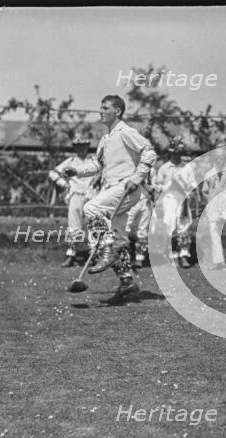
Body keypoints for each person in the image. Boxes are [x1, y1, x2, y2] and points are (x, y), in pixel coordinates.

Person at [64, 95, 156, 304]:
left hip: (126, 187)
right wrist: (76, 170)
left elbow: (149, 153)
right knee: (120, 239)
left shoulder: (127, 132)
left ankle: (105, 249)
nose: (101, 111)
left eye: (106, 108)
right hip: (114, 188)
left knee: (91, 208)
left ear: (119, 112)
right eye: (100, 107)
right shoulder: (106, 139)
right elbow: (98, 166)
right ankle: (127, 283)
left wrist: (137, 177)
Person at [48, 133, 98, 267]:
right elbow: (53, 173)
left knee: (93, 224)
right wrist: (65, 184)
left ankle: (94, 256)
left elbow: (102, 171)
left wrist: (97, 184)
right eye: (78, 146)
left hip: (91, 195)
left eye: (83, 146)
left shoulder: (93, 160)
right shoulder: (70, 161)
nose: (81, 149)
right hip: (76, 194)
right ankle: (71, 255)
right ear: (75, 148)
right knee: (74, 226)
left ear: (88, 146)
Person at [150, 136, 193, 269]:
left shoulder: (186, 168)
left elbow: (191, 185)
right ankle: (167, 255)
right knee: (166, 226)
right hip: (167, 199)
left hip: (182, 198)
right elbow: (157, 187)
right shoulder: (164, 168)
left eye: (179, 152)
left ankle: (184, 255)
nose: (177, 154)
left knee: (183, 226)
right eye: (174, 152)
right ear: (170, 152)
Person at [124, 164, 156, 267]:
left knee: (143, 230)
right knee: (125, 228)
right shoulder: (130, 167)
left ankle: (139, 258)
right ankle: (125, 257)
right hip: (131, 201)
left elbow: (152, 188)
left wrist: (144, 183)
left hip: (145, 201)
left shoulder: (151, 171)